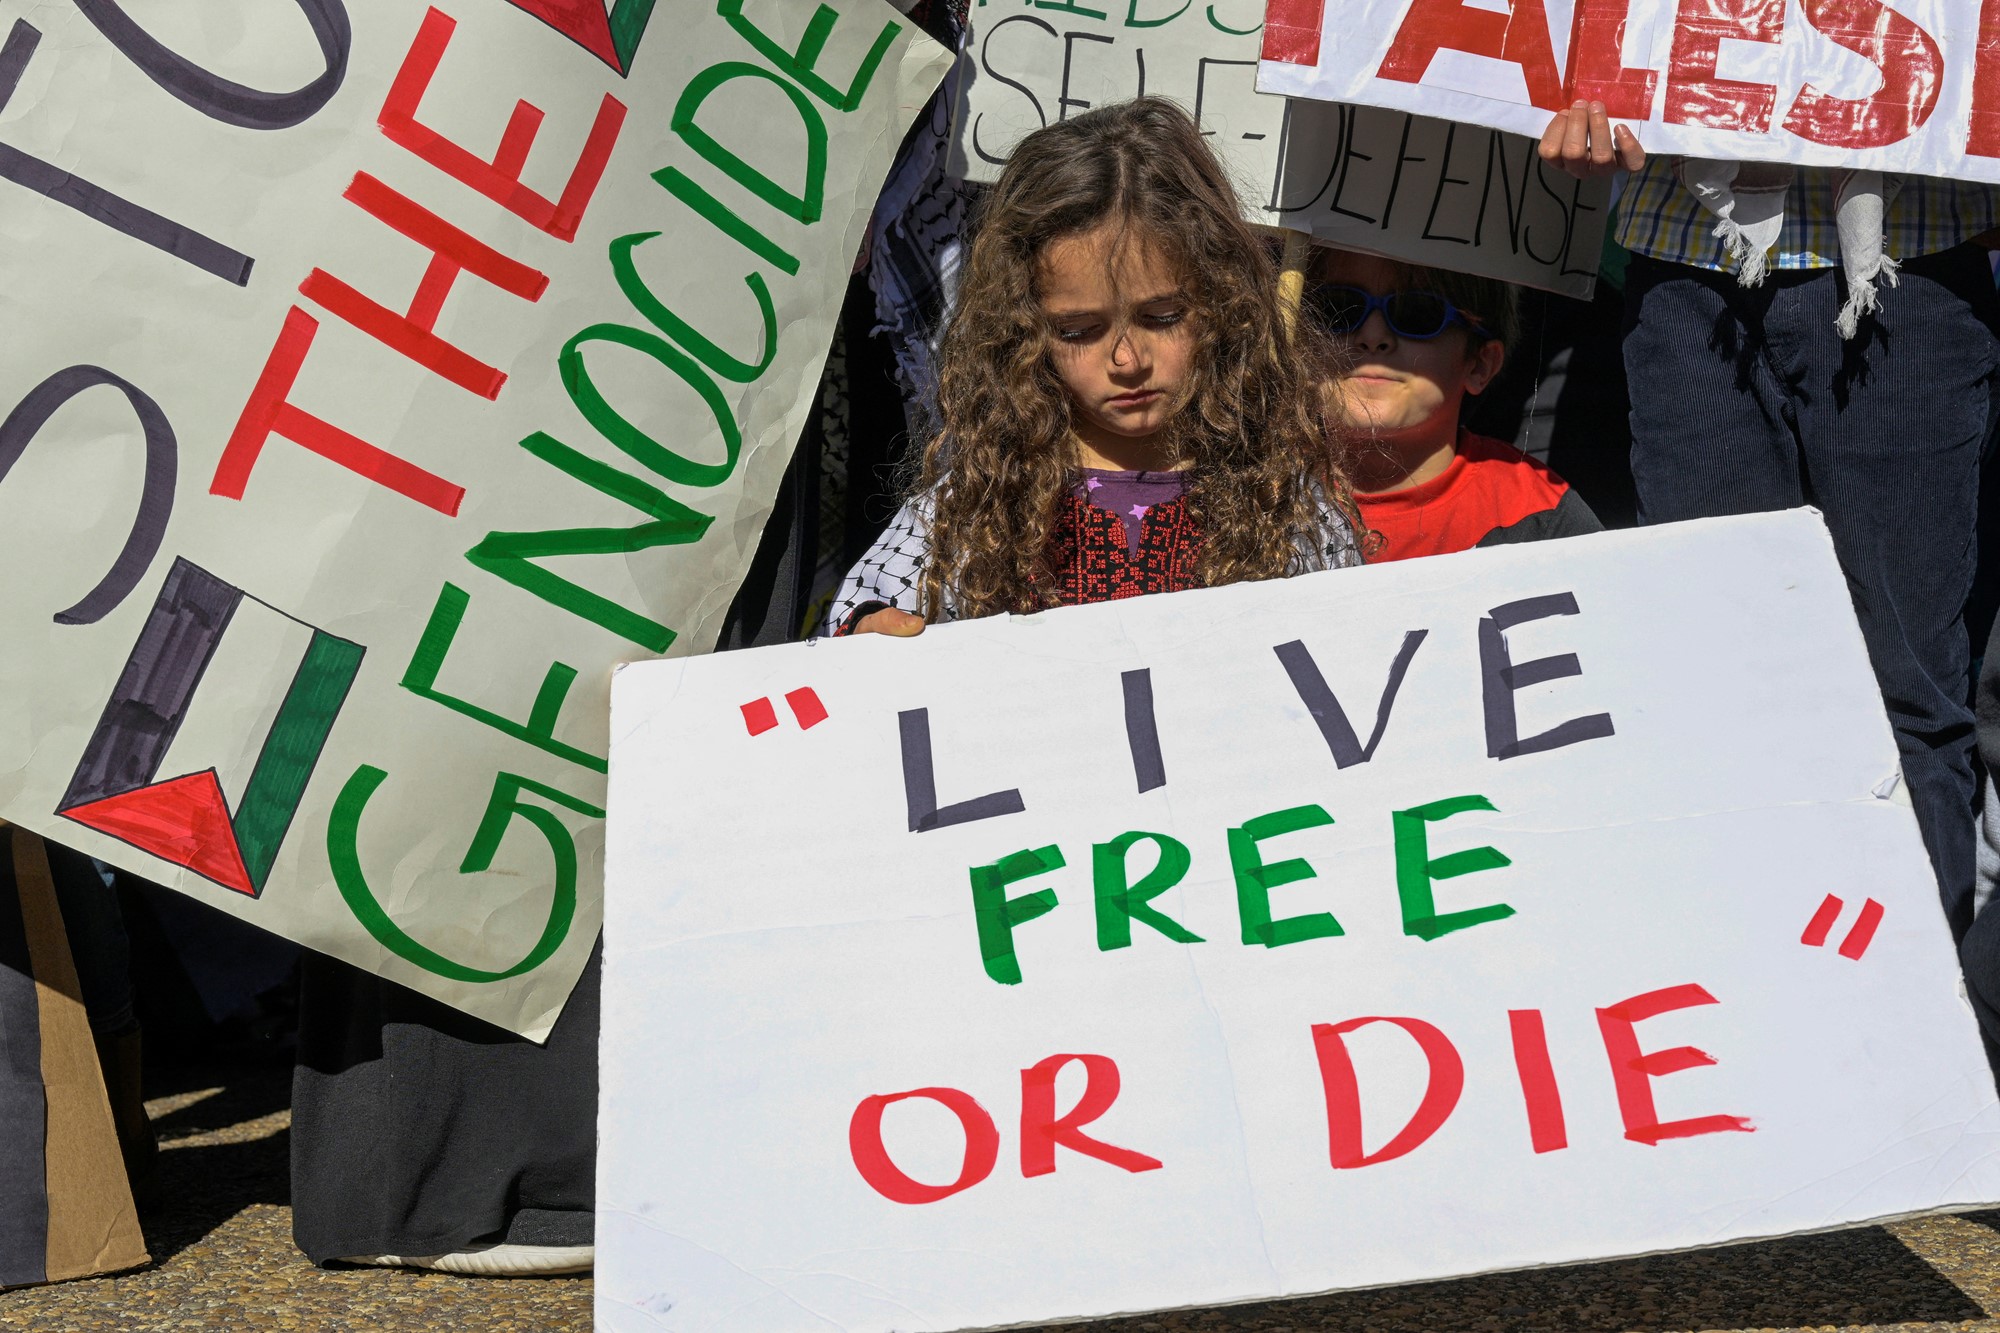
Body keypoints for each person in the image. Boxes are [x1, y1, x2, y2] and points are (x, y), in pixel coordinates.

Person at [1541, 103, 2000, 941]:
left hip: (1912, 257)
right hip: (1684, 262)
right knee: (1721, 687)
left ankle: (1913, 1030)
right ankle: (1757, 1000)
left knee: (1908, 691)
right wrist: (1581, 79)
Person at [823, 97, 1362, 637]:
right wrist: (870, 632)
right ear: (1023, 330)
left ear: (1221, 305)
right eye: (1078, 331)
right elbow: (859, 618)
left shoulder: (1279, 500)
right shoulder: (979, 501)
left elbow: (1352, 649)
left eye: (1163, 317)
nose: (1127, 361)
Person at [1311, 247, 1601, 560]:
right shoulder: (1258, 486)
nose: (1372, 335)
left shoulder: (1540, 517)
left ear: (1479, 365)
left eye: (1417, 312)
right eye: (1338, 308)